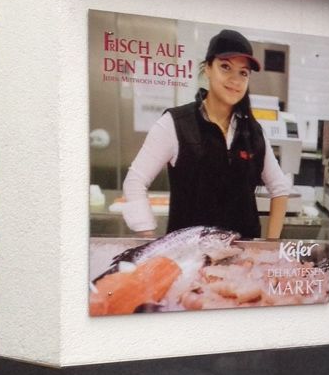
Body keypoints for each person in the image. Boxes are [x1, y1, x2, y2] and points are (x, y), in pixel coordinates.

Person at [122, 29, 291, 239]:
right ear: (208, 68)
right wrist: (149, 242)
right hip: (189, 259)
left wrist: (271, 245)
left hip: (242, 262)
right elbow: (134, 181)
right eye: (225, 67)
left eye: (243, 72)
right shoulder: (175, 124)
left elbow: (280, 188)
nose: (235, 79)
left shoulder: (253, 132)